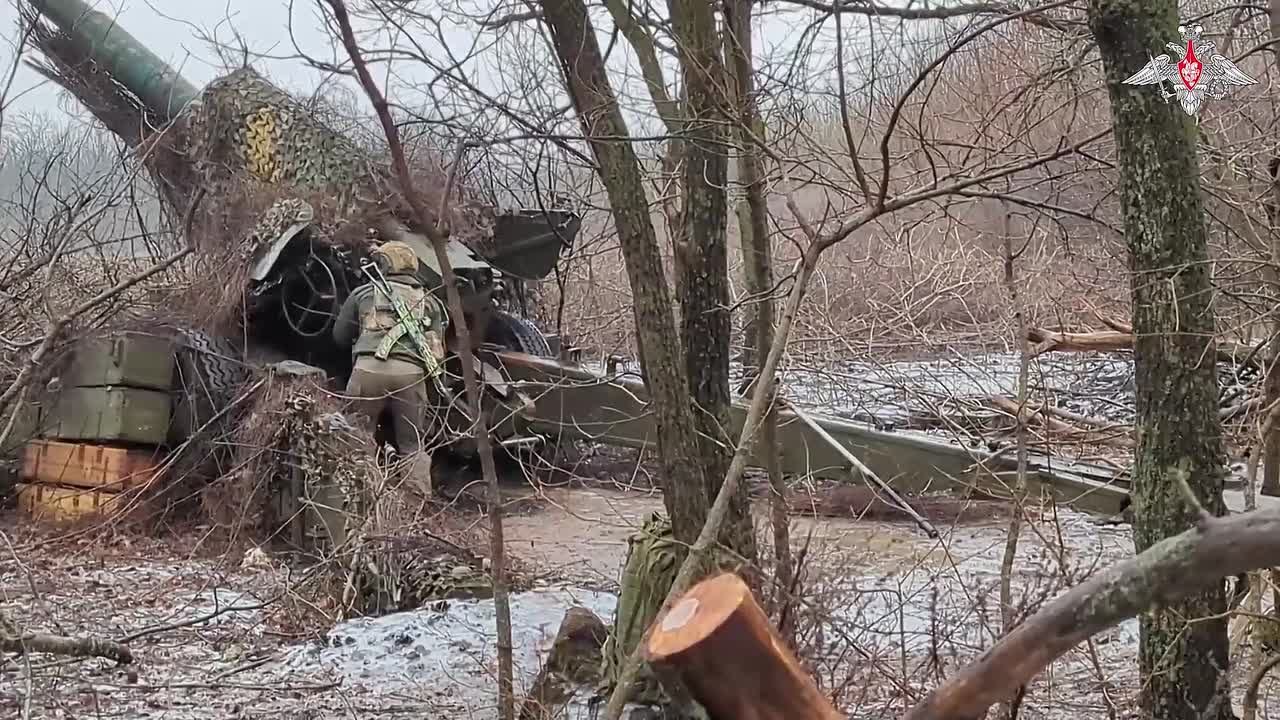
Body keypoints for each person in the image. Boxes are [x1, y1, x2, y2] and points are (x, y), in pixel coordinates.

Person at [332, 240, 448, 496]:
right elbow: (437, 354)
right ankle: (415, 506)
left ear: (384, 265)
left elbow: (339, 336)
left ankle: (357, 501)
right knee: (412, 446)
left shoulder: (364, 293)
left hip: (368, 371)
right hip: (411, 376)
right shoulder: (430, 302)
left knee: (357, 439)